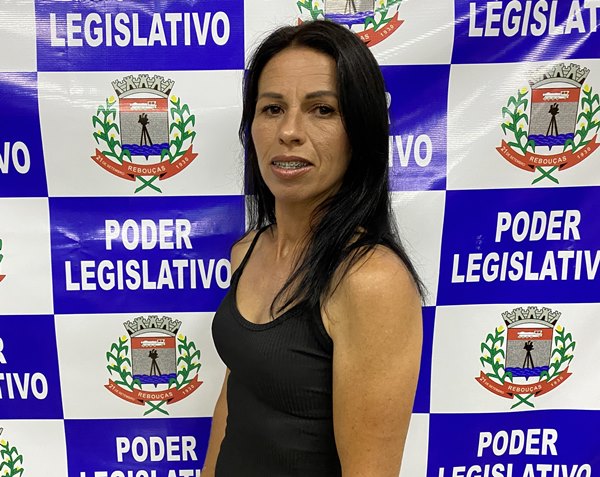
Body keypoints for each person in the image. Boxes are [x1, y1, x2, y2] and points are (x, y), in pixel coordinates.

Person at [203, 20, 423, 477]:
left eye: (322, 109)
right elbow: (235, 395)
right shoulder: (247, 251)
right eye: (272, 108)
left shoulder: (370, 281)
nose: (289, 131)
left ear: (359, 131)